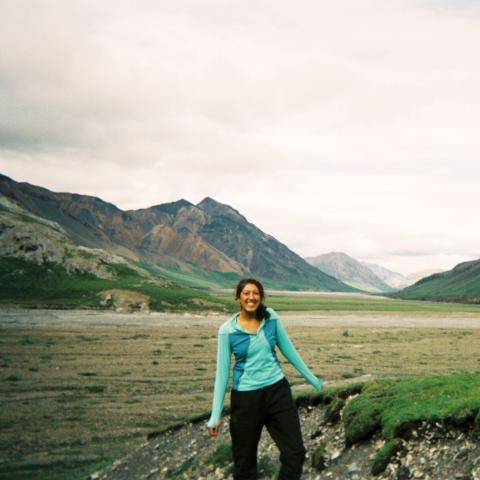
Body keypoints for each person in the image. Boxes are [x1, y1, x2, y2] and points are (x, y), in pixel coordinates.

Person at [207, 278, 323, 480]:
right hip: (246, 400)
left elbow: (288, 350)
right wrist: (215, 414)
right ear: (238, 298)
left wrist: (311, 377)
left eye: (255, 293)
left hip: (278, 392)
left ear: (260, 297)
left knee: (295, 453)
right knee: (244, 466)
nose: (251, 297)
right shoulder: (227, 330)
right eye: (246, 293)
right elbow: (222, 373)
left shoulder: (271, 318)